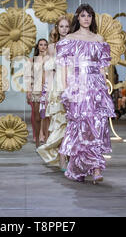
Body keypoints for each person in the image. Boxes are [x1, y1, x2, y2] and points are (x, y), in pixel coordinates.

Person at [56, 4, 115, 184]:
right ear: (78, 18)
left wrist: (104, 85)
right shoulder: (70, 39)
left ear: (92, 18)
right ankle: (78, 167)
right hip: (78, 86)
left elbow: (104, 67)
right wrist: (66, 88)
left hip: (96, 87)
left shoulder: (98, 39)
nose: (86, 18)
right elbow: (65, 66)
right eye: (83, 15)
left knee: (96, 125)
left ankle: (96, 168)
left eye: (89, 15)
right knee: (80, 127)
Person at [37, 15, 71, 171]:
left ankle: (68, 155)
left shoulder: (74, 44)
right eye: (61, 26)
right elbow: (49, 71)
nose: (64, 29)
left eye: (67, 26)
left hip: (72, 85)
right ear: (56, 28)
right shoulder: (52, 47)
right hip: (57, 87)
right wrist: (47, 93)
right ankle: (62, 155)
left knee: (71, 123)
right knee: (60, 122)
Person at [27, 38, 49, 148]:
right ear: (37, 46)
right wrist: (28, 90)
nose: (43, 46)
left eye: (45, 44)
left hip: (47, 90)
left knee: (46, 117)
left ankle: (46, 142)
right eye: (41, 44)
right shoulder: (32, 60)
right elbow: (28, 77)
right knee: (37, 117)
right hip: (36, 90)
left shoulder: (50, 60)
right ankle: (37, 142)